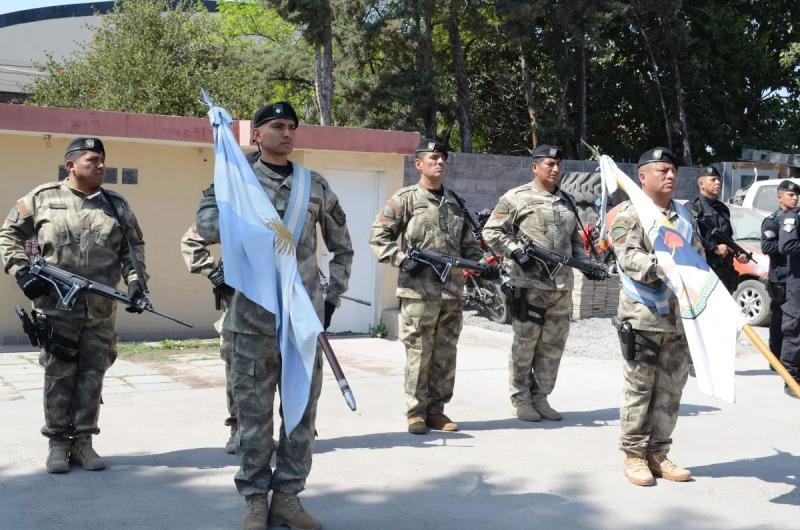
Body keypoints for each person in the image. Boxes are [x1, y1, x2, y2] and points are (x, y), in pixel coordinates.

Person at [195, 101, 353, 530]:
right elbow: (207, 228)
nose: (287, 133)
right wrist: (235, 208)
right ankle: (253, 500)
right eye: (277, 126)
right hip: (250, 320)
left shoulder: (313, 185)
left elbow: (344, 246)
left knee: (301, 414)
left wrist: (331, 297)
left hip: (302, 319)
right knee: (253, 415)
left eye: (292, 127)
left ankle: (287, 497)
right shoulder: (233, 181)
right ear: (256, 134)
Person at [0, 137, 147, 473]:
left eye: (102, 160)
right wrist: (21, 271)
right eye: (92, 160)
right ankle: (56, 444)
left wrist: (137, 285)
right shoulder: (42, 198)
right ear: (71, 165)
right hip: (55, 307)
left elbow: (133, 250)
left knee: (92, 374)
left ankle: (84, 442)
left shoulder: (116, 205)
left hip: (100, 309)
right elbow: (8, 234)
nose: (100, 166)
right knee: (58, 374)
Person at [369, 138, 486, 435]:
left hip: (451, 293)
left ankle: (437, 410)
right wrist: (402, 259)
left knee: (445, 354)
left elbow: (469, 246)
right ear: (418, 163)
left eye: (443, 157)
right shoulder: (405, 199)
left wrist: (479, 263)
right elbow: (378, 237)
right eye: (433, 157)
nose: (440, 162)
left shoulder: (456, 203)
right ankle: (415, 412)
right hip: (418, 294)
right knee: (418, 353)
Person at [609, 147, 704, 486]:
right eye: (662, 169)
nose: (670, 175)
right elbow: (628, 257)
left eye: (673, 170)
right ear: (642, 177)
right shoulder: (630, 214)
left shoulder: (684, 216)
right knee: (640, 387)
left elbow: (698, 260)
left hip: (679, 320)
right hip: (643, 317)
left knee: (671, 389)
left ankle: (659, 453)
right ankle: (634, 455)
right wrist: (661, 267)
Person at [483, 144, 591, 422]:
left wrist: (585, 263)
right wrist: (515, 252)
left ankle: (541, 397)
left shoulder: (567, 200)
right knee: (526, 343)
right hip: (529, 285)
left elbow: (576, 240)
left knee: (553, 345)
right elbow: (492, 231)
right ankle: (521, 399)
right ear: (535, 167)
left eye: (558, 164)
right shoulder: (516, 198)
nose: (555, 169)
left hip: (561, 287)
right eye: (548, 164)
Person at [179, 224, 237, 453]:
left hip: (282, 306)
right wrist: (214, 273)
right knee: (239, 370)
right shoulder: (235, 205)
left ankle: (276, 433)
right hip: (239, 309)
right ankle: (238, 430)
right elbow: (190, 241)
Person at [689, 165, 749, 293]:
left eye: (719, 180)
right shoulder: (693, 208)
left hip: (726, 271)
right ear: (701, 184)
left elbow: (728, 239)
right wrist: (714, 248)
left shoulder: (723, 208)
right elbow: (691, 237)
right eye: (713, 180)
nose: (718, 183)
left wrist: (738, 254)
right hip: (706, 271)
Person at [760, 180, 799, 366]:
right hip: (780, 277)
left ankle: (788, 359)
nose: (795, 198)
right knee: (778, 320)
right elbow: (766, 246)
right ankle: (775, 360)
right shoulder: (773, 220)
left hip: (794, 276)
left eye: (796, 195)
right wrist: (786, 244)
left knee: (792, 322)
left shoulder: (795, 217)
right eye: (790, 195)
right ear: (779, 197)